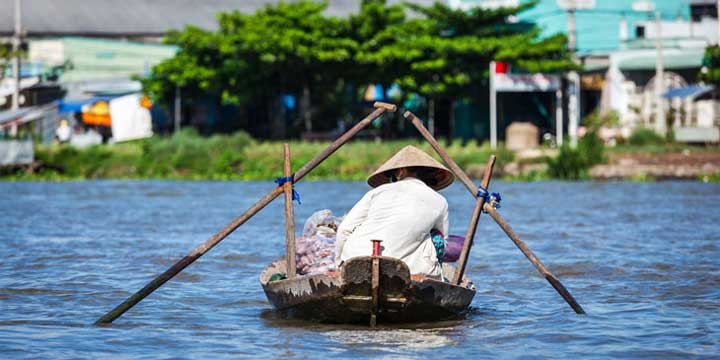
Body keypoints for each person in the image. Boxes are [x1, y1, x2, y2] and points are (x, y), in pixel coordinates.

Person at [335, 145, 454, 279]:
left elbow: (344, 230)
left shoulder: (376, 192)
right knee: (435, 237)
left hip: (354, 260)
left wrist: (339, 264)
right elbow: (442, 245)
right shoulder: (439, 201)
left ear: (401, 170)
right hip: (403, 268)